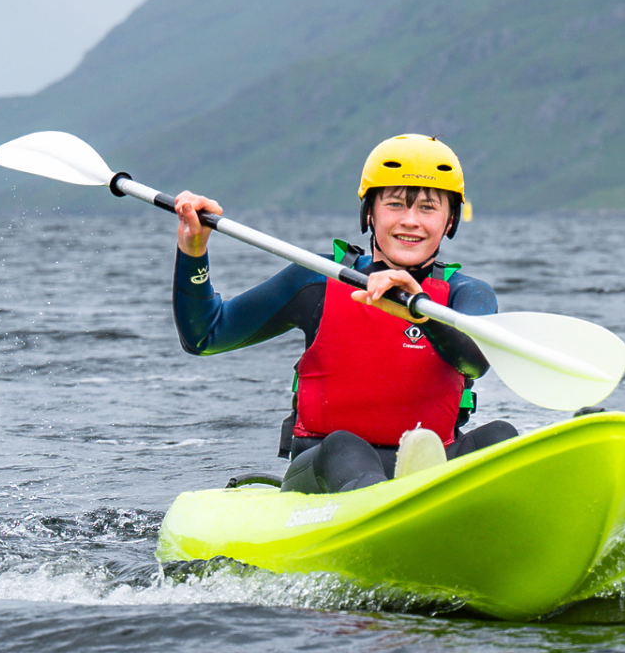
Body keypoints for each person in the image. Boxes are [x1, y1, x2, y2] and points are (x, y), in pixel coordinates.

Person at [170, 134, 518, 493]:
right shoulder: (317, 279)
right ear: (370, 212)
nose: (411, 220)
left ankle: (438, 497)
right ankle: (390, 502)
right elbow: (205, 335)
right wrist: (193, 250)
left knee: (501, 437)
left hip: (431, 459)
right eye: (395, 204)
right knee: (345, 446)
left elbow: (475, 362)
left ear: (450, 221)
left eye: (428, 208)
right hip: (323, 468)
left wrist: (423, 316)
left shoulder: (467, 295)